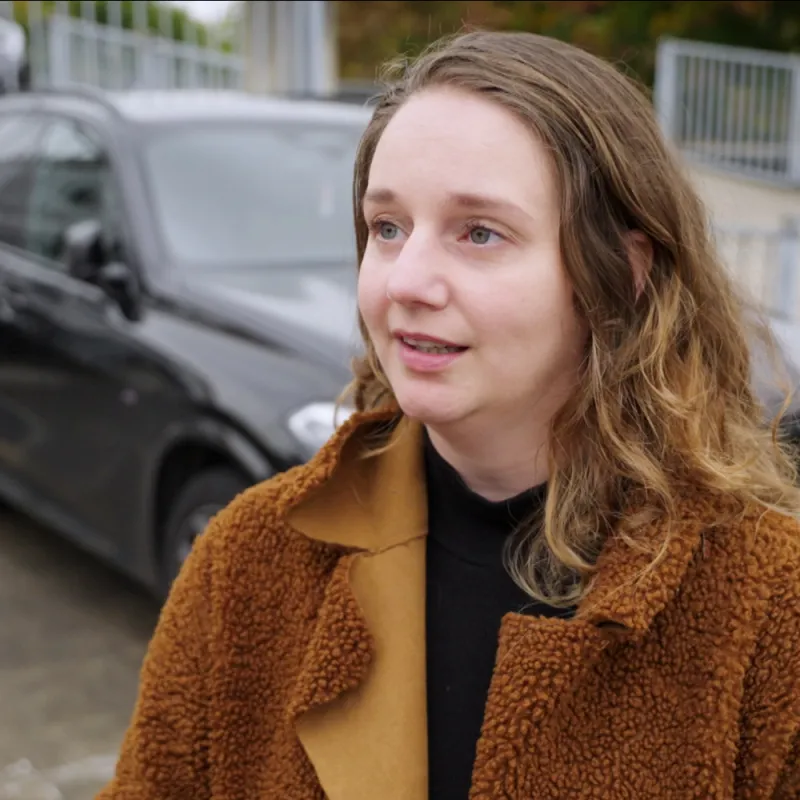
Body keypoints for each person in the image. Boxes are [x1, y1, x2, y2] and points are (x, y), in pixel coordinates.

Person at [98, 30, 800, 800]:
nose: (409, 281)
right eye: (388, 227)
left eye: (480, 233)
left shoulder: (768, 602)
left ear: (622, 274)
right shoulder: (251, 562)